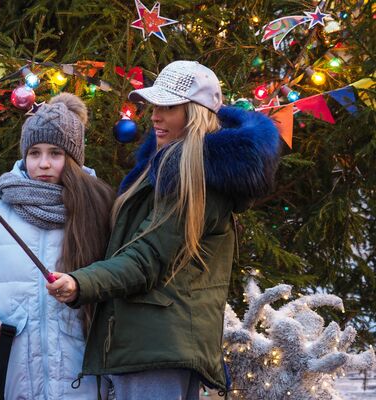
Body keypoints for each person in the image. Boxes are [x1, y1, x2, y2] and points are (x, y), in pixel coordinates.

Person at [47, 60, 281, 399]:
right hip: (152, 344)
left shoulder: (194, 177)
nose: (155, 116)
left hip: (156, 348)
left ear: (195, 113)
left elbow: (146, 258)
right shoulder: (166, 166)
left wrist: (81, 283)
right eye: (154, 106)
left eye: (168, 107)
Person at [0, 93, 114, 399]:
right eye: (34, 153)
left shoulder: (98, 211)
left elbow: (115, 281)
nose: (44, 164)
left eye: (55, 153)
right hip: (13, 373)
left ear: (74, 159)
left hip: (79, 379)